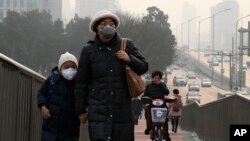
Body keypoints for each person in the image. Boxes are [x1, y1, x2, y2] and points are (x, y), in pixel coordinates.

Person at [74, 10, 148, 141]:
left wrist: (130, 58)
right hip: (98, 111)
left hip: (122, 111)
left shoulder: (126, 45)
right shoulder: (88, 50)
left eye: (111, 23)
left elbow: (143, 66)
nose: (108, 26)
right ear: (96, 27)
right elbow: (81, 82)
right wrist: (81, 110)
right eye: (103, 23)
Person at [37, 52, 80, 141]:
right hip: (50, 129)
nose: (70, 69)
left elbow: (84, 99)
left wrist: (83, 111)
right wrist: (43, 106)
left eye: (73, 67)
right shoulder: (52, 80)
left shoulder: (79, 84)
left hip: (70, 131)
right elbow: (42, 93)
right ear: (60, 68)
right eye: (66, 67)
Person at [142, 70, 173, 141]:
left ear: (160, 79)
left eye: (158, 78)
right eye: (155, 77)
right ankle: (149, 128)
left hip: (161, 105)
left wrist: (161, 85)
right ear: (152, 78)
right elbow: (144, 96)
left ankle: (166, 134)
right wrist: (146, 102)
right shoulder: (148, 86)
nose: (156, 79)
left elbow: (167, 93)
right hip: (151, 104)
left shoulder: (163, 85)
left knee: (165, 119)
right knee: (147, 114)